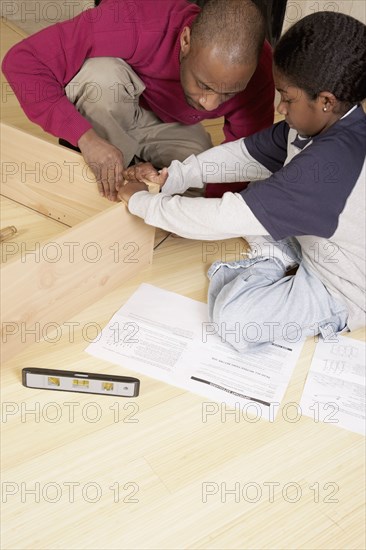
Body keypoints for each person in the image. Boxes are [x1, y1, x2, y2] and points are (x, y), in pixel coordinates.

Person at [118, 11, 366, 351]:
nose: (280, 107)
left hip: (341, 286)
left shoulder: (328, 168)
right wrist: (174, 175)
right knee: (253, 191)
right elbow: (246, 155)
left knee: (235, 321)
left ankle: (278, 263)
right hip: (315, 241)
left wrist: (141, 203)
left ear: (326, 101)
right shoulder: (319, 122)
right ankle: (280, 256)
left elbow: (222, 217)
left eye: (288, 98)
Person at [2, 0, 274, 201]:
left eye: (228, 93)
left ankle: (136, 170)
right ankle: (96, 152)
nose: (210, 104)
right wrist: (85, 137)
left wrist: (204, 208)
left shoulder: (259, 72)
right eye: (203, 84)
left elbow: (247, 156)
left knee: (207, 179)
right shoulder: (136, 20)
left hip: (171, 124)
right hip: (118, 102)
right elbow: (22, 62)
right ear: (186, 40)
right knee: (99, 77)